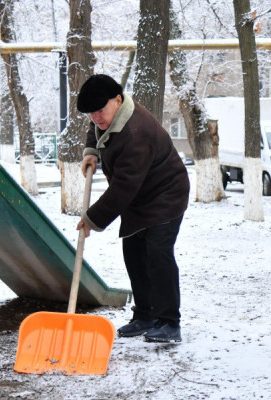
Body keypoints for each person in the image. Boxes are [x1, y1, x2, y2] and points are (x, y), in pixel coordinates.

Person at [75, 74, 190, 343]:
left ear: (117, 99)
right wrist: (91, 149)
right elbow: (96, 129)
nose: (96, 118)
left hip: (165, 195)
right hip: (139, 197)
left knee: (158, 254)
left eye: (99, 110)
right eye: (91, 113)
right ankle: (145, 315)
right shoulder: (109, 114)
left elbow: (123, 187)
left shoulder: (136, 132)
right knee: (134, 253)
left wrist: (92, 219)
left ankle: (169, 322)